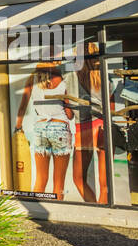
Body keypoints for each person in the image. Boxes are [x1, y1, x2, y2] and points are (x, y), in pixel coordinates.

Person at [16, 63, 74, 200]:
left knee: (41, 179)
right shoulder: (62, 80)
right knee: (59, 183)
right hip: (59, 128)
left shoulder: (32, 79)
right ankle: (57, 213)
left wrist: (18, 127)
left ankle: (36, 210)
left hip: (40, 129)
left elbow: (23, 106)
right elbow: (70, 114)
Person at [71, 41, 107, 203]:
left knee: (78, 178)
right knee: (105, 184)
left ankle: (94, 208)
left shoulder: (72, 76)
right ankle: (106, 214)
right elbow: (111, 106)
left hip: (84, 129)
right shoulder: (104, 76)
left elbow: (70, 111)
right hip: (103, 127)